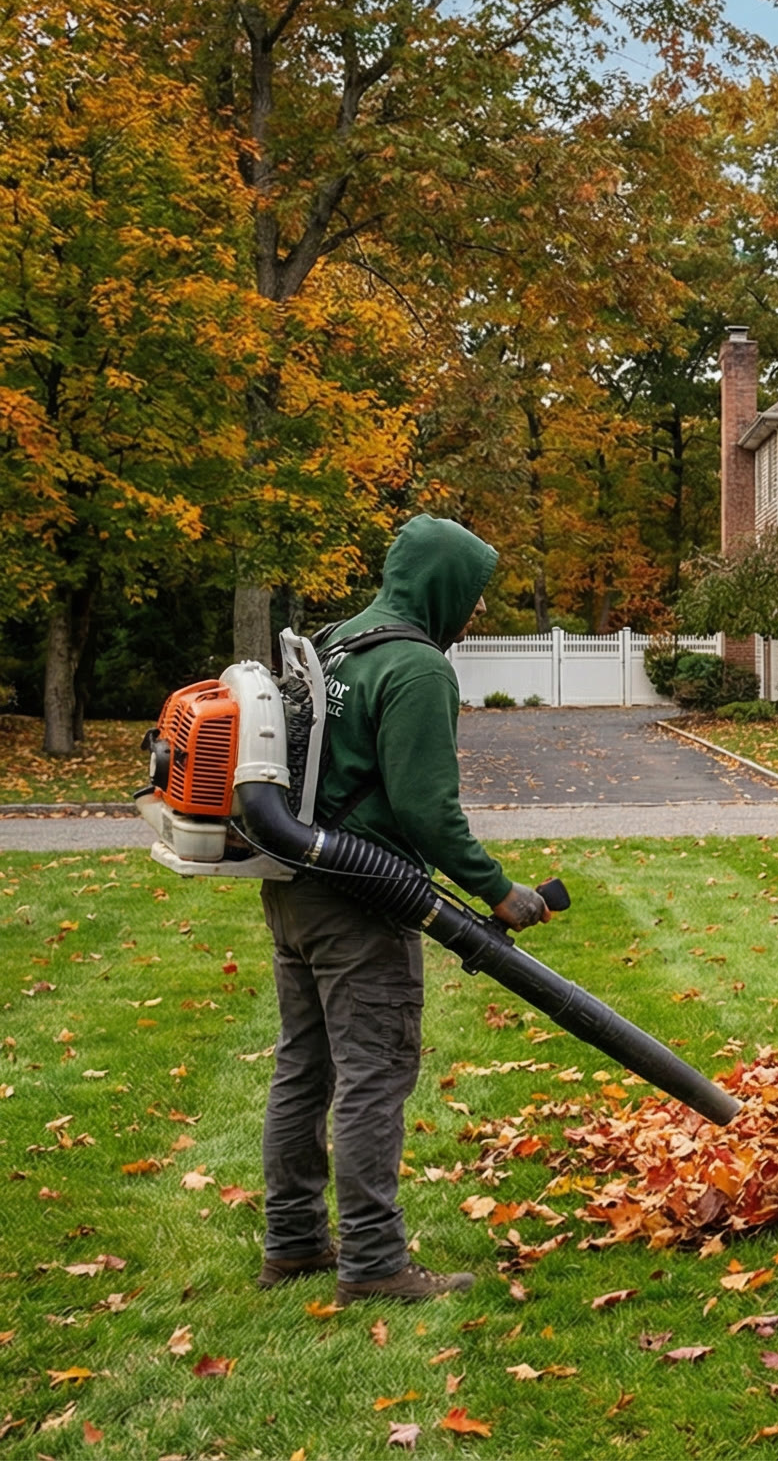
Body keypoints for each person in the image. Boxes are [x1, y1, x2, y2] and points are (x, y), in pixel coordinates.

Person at [256, 515, 553, 1304]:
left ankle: (291, 1244)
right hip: (361, 900)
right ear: (443, 585)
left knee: (304, 1067)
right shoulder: (416, 668)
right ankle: (375, 1265)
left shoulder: (338, 640)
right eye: (474, 593)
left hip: (295, 883)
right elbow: (427, 810)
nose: (476, 611)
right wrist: (497, 889)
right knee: (373, 1075)